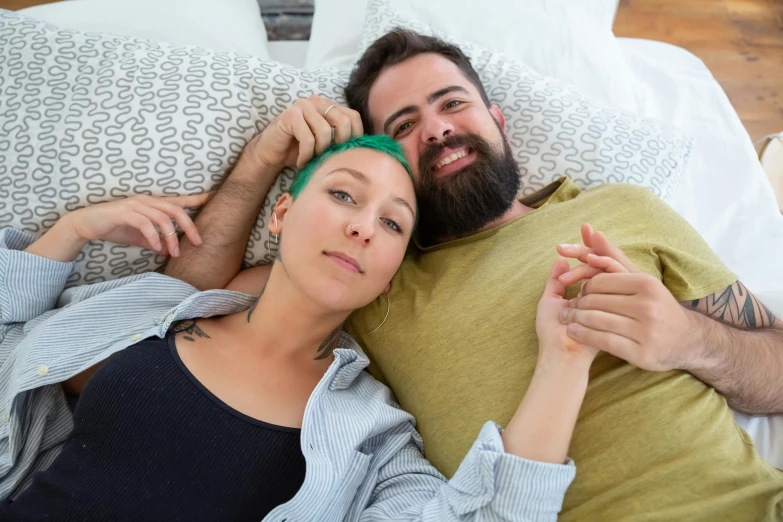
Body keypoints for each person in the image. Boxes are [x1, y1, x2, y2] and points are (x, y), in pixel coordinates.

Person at [165, 29, 783, 521]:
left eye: (452, 103)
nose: (436, 128)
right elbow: (173, 301)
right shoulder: (369, 272)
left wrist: (689, 339)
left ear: (497, 118)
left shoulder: (620, 208)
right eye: (403, 126)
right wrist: (264, 155)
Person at [0, 135, 606, 521]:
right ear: (282, 213)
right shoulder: (156, 308)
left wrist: (566, 356)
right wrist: (74, 228)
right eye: (344, 195)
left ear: (390, 275)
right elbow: (12, 342)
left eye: (393, 225)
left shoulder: (371, 432)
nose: (364, 227)